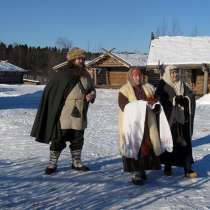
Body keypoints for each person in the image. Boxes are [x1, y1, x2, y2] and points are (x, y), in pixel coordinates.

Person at [31, 47, 96, 175]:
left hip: (80, 111)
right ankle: (52, 163)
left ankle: (76, 162)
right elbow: (52, 92)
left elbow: (91, 89)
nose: (82, 61)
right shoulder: (62, 74)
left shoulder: (86, 74)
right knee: (58, 138)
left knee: (78, 138)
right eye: (79, 58)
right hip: (64, 113)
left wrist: (92, 94)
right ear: (72, 59)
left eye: (83, 58)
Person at [118, 67, 166, 185]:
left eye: (139, 75)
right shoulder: (124, 90)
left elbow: (153, 101)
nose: (137, 78)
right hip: (133, 124)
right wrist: (142, 105)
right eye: (135, 76)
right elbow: (124, 106)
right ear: (130, 76)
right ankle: (136, 172)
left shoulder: (148, 88)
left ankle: (142, 169)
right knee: (135, 147)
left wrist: (155, 104)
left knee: (146, 147)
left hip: (147, 124)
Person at [155, 65, 197, 178]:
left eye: (176, 72)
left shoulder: (183, 85)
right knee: (169, 143)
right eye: (172, 72)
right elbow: (159, 98)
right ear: (168, 73)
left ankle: (187, 169)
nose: (175, 75)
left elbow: (191, 96)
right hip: (170, 120)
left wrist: (185, 99)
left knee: (185, 143)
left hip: (183, 120)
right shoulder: (163, 84)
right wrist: (172, 101)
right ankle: (167, 167)